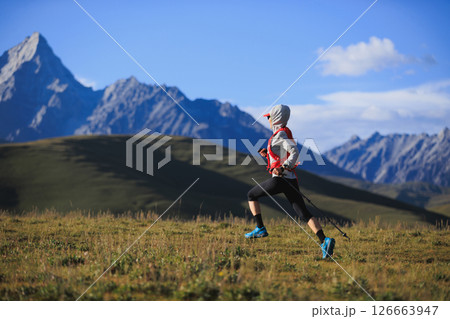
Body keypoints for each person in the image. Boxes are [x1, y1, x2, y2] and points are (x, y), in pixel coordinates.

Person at [245, 104, 335, 259]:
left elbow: (294, 153)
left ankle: (260, 228)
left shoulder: (280, 135)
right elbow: (284, 154)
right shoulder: (282, 134)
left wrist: (283, 167)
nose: (268, 120)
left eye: (269, 117)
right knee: (303, 212)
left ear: (276, 118)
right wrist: (268, 155)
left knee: (251, 195)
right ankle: (324, 240)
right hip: (291, 180)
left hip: (281, 179)